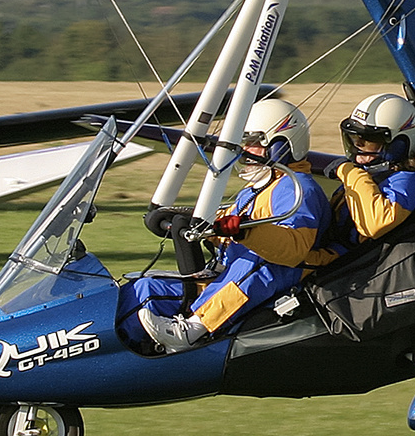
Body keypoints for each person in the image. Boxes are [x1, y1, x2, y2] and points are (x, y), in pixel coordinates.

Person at [134, 99, 331, 353]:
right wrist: (187, 222)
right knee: (146, 288)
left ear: (281, 144)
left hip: (282, 276)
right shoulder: (255, 188)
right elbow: (223, 225)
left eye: (255, 143)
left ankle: (193, 330)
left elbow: (294, 249)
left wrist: (245, 231)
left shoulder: (298, 188)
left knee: (256, 263)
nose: (245, 150)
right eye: (244, 142)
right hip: (228, 275)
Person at [306, 93, 415, 268]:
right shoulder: (368, 174)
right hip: (338, 255)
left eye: (368, 143)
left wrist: (349, 172)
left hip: (360, 266)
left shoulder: (410, 181)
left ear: (397, 145)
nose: (358, 149)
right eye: (355, 141)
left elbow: (375, 223)